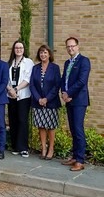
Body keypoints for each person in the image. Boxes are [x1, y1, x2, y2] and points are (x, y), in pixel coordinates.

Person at [61, 37, 91, 172]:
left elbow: (81, 81)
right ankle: (74, 156)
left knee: (78, 129)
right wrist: (63, 92)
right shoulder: (67, 63)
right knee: (72, 129)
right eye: (68, 46)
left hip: (79, 100)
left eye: (72, 46)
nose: (70, 48)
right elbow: (64, 80)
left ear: (78, 46)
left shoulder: (84, 61)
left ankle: (80, 160)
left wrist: (69, 93)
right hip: (69, 100)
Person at [29, 44, 61, 161]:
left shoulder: (55, 68)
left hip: (51, 102)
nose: (43, 54)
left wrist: (47, 99)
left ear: (49, 54)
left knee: (51, 126)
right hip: (38, 102)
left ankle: (51, 149)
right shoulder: (35, 68)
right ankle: (43, 148)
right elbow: (32, 85)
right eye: (41, 52)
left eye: (45, 52)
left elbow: (57, 85)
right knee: (41, 126)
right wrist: (39, 99)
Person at [6, 40, 33, 157]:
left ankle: (23, 148)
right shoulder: (10, 62)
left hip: (23, 96)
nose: (18, 50)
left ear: (24, 49)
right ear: (13, 49)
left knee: (22, 121)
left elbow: (27, 79)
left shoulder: (28, 62)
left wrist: (16, 89)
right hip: (11, 96)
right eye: (16, 48)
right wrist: (10, 90)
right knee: (13, 121)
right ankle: (15, 146)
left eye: (21, 48)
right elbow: (6, 79)